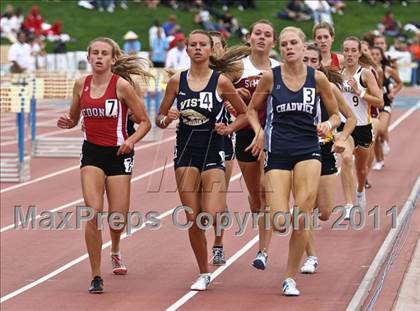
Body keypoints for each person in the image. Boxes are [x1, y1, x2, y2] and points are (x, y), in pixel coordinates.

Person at [246, 26, 340, 296]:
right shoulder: (269, 78)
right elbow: (252, 110)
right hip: (278, 150)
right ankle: (282, 244)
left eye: (293, 43)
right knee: (278, 220)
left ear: (302, 47)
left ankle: (289, 277)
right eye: (284, 44)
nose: (288, 47)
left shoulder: (318, 78)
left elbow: (334, 115)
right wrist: (259, 131)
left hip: (309, 149)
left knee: (302, 213)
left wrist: (328, 125)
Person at [57, 37, 152, 294]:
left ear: (112, 59)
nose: (99, 57)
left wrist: (131, 141)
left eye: (104, 54)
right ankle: (96, 275)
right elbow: (75, 118)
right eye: (95, 53)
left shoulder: (121, 86)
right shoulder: (81, 84)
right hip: (92, 155)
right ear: (88, 58)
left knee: (117, 217)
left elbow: (145, 121)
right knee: (93, 211)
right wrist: (67, 121)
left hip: (119, 154)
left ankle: (116, 249)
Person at [156, 29, 247, 291]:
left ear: (210, 50)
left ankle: (215, 242)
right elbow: (159, 119)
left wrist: (229, 130)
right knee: (193, 218)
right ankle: (204, 272)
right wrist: (167, 118)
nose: (197, 48)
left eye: (202, 45)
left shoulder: (221, 82)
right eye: (193, 45)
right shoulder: (176, 82)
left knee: (211, 211)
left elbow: (243, 115)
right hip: (185, 152)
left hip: (214, 149)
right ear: (187, 49)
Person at [211, 20, 280, 270]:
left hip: (273, 137)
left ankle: (262, 251)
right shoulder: (238, 68)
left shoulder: (280, 69)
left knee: (267, 193)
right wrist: (230, 101)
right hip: (245, 135)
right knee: (256, 197)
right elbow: (216, 91)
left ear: (274, 42)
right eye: (257, 33)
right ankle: (256, 204)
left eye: (267, 35)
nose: (261, 38)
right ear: (249, 38)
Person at [300, 43, 356, 274]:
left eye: (313, 61)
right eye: (305, 60)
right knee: (304, 207)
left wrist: (341, 138)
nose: (309, 65)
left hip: (324, 151)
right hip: (298, 152)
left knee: (323, 211)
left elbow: (350, 118)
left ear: (319, 64)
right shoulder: (285, 85)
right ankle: (310, 256)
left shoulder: (328, 87)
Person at [339, 36, 383, 216]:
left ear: (359, 53)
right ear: (342, 52)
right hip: (344, 127)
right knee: (346, 159)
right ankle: (348, 204)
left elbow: (379, 101)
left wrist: (360, 92)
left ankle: (360, 190)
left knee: (361, 169)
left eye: (353, 50)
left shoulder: (364, 73)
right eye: (346, 50)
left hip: (364, 127)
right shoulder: (337, 74)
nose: (349, 54)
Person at [208, 30, 231, 265]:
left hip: (225, 139)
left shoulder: (230, 76)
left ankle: (218, 243)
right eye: (208, 45)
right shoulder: (192, 75)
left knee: (219, 199)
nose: (212, 49)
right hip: (194, 142)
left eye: (216, 46)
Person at [370, 45, 402, 171]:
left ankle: (384, 141)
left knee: (382, 129)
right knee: (375, 135)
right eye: (372, 54)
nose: (375, 56)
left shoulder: (387, 70)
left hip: (385, 104)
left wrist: (393, 92)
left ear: (381, 56)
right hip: (371, 106)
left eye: (377, 54)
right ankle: (379, 160)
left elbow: (399, 83)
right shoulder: (365, 71)